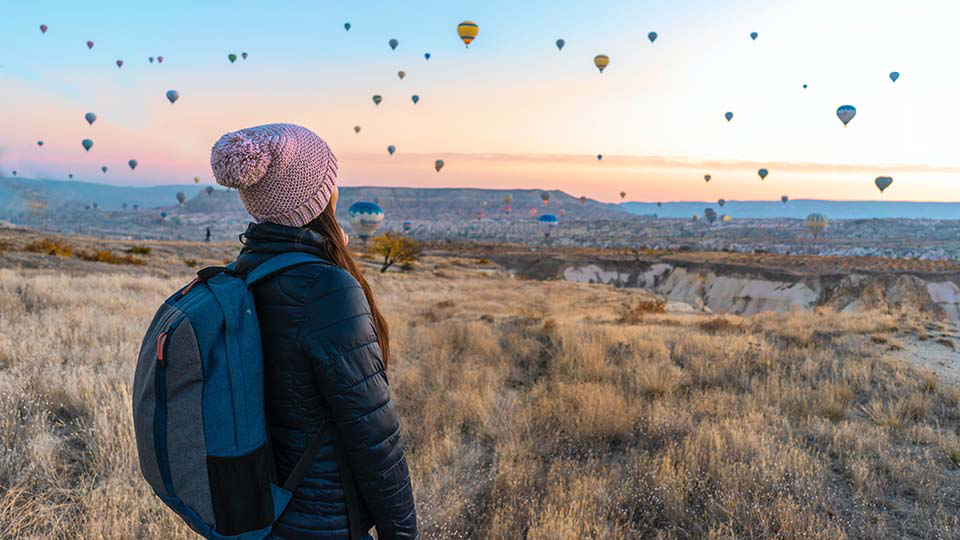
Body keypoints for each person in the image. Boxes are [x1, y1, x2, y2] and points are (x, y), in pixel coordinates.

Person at [210, 123, 418, 540]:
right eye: (331, 179)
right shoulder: (326, 288)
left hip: (255, 514)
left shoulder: (242, 275)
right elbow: (373, 434)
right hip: (322, 520)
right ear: (319, 197)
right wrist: (403, 533)